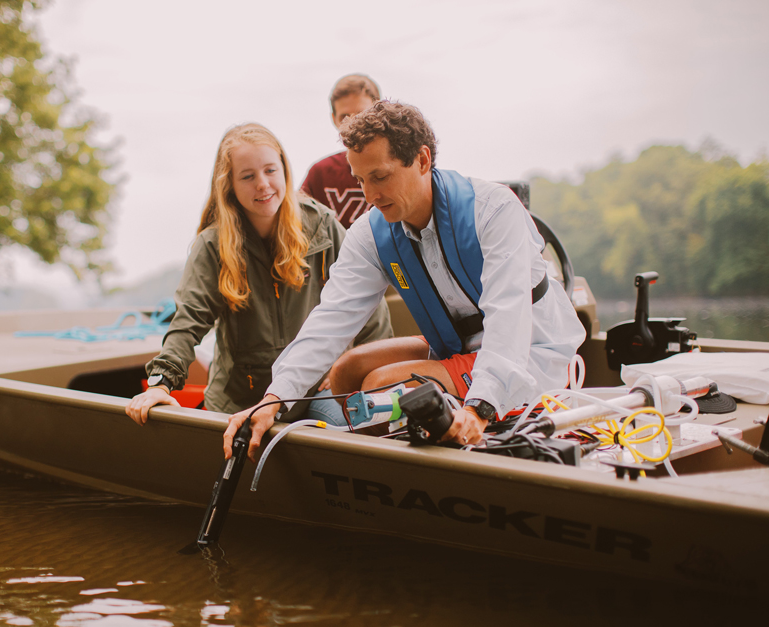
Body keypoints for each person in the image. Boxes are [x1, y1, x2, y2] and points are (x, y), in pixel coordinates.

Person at [225, 101, 586, 461]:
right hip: (457, 346)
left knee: (379, 386)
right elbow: (330, 320)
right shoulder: (371, 233)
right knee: (347, 370)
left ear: (423, 160)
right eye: (360, 180)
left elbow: (509, 319)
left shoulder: (495, 210)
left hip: (530, 352)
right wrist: (273, 400)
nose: (369, 195)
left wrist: (480, 407)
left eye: (380, 177)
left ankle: (406, 472)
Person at [125, 123, 392, 425]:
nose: (263, 184)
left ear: (284, 171)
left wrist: (360, 371)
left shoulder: (322, 226)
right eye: (247, 176)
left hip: (312, 392)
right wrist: (160, 384)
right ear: (229, 184)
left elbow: (368, 306)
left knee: (359, 426)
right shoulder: (213, 245)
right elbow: (188, 322)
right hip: (240, 400)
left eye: (270, 170)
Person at [300, 74, 381, 229]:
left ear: (379, 113)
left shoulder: (398, 170)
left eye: (361, 114)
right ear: (333, 119)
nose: (353, 123)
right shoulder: (320, 174)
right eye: (344, 117)